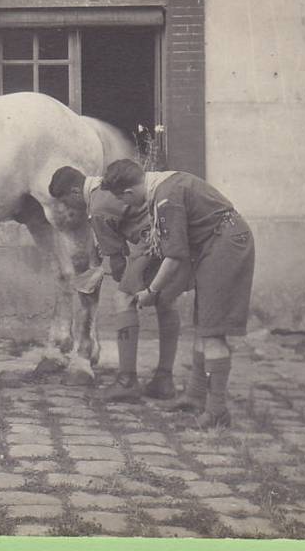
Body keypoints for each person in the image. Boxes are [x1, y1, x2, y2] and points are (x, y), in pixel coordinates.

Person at [102, 159, 255, 428]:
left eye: (122, 199)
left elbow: (174, 256)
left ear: (128, 193)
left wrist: (152, 291)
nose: (125, 206)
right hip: (216, 242)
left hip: (225, 245)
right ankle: (196, 396)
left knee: (213, 331)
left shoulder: (165, 198)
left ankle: (217, 411)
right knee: (205, 325)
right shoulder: (163, 183)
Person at [48, 166, 190, 402]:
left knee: (123, 298)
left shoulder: (96, 206)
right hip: (167, 236)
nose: (67, 209)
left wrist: (119, 276)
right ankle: (164, 379)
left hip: (152, 242)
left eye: (65, 202)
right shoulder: (104, 187)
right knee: (166, 301)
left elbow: (116, 260)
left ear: (75, 192)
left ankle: (127, 381)